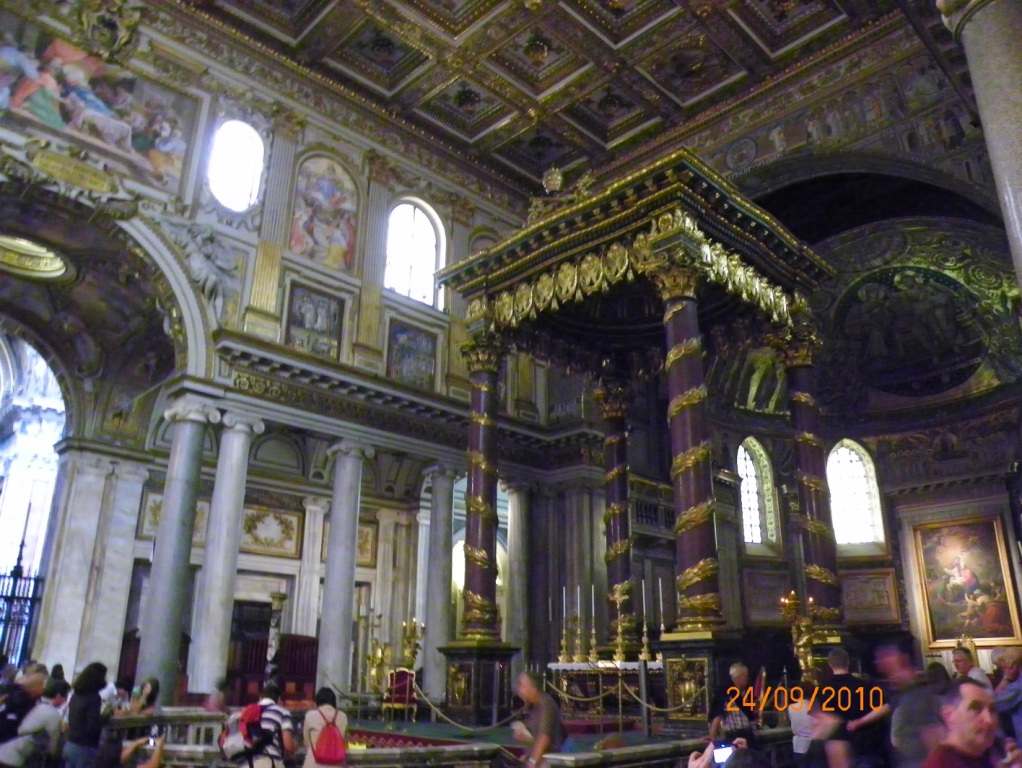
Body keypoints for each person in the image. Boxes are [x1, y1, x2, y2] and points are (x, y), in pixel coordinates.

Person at [923, 679, 1022, 768]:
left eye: (992, 710)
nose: (989, 720)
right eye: (976, 709)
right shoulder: (940, 764)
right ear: (949, 716)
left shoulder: (988, 751)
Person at [0, 671, 63, 768]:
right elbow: (53, 744)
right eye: (42, 685)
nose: (43, 688)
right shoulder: (31, 704)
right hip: (13, 755)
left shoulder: (12, 696)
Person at [512, 671, 569, 767]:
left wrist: (532, 762)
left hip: (551, 759)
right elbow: (536, 737)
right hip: (540, 756)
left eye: (522, 685)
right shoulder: (533, 705)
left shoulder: (546, 703)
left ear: (533, 688)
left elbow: (544, 738)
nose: (519, 689)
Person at [63, 662, 109, 768]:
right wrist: (105, 718)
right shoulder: (94, 698)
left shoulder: (75, 694)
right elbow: (93, 726)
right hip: (84, 747)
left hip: (70, 742)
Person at [239, 680, 294, 768]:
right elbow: (288, 746)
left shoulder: (245, 711)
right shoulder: (282, 711)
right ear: (279, 699)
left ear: (260, 698)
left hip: (245, 762)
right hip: (268, 760)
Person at [708, 663, 759, 744]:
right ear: (736, 678)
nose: (747, 678)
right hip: (733, 736)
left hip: (749, 734)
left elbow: (752, 714)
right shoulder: (725, 693)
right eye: (745, 676)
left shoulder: (748, 691)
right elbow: (717, 716)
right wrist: (712, 737)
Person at [302, 687, 346, 768]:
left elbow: (307, 741)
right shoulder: (342, 716)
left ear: (317, 701)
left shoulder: (310, 715)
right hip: (336, 764)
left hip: (313, 763)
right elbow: (343, 740)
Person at [995, 647, 1022, 739]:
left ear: (1012, 666)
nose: (1003, 671)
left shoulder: (1017, 687)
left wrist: (1006, 678)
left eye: (1003, 667)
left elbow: (993, 704)